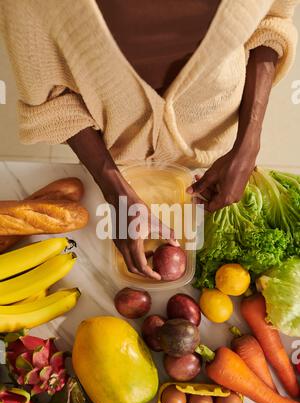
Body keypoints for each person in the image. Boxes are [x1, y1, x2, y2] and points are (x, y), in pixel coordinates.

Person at [0, 0, 299, 279]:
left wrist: (248, 143)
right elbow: (53, 100)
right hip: (110, 148)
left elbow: (271, 25)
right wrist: (113, 187)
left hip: (219, 139)